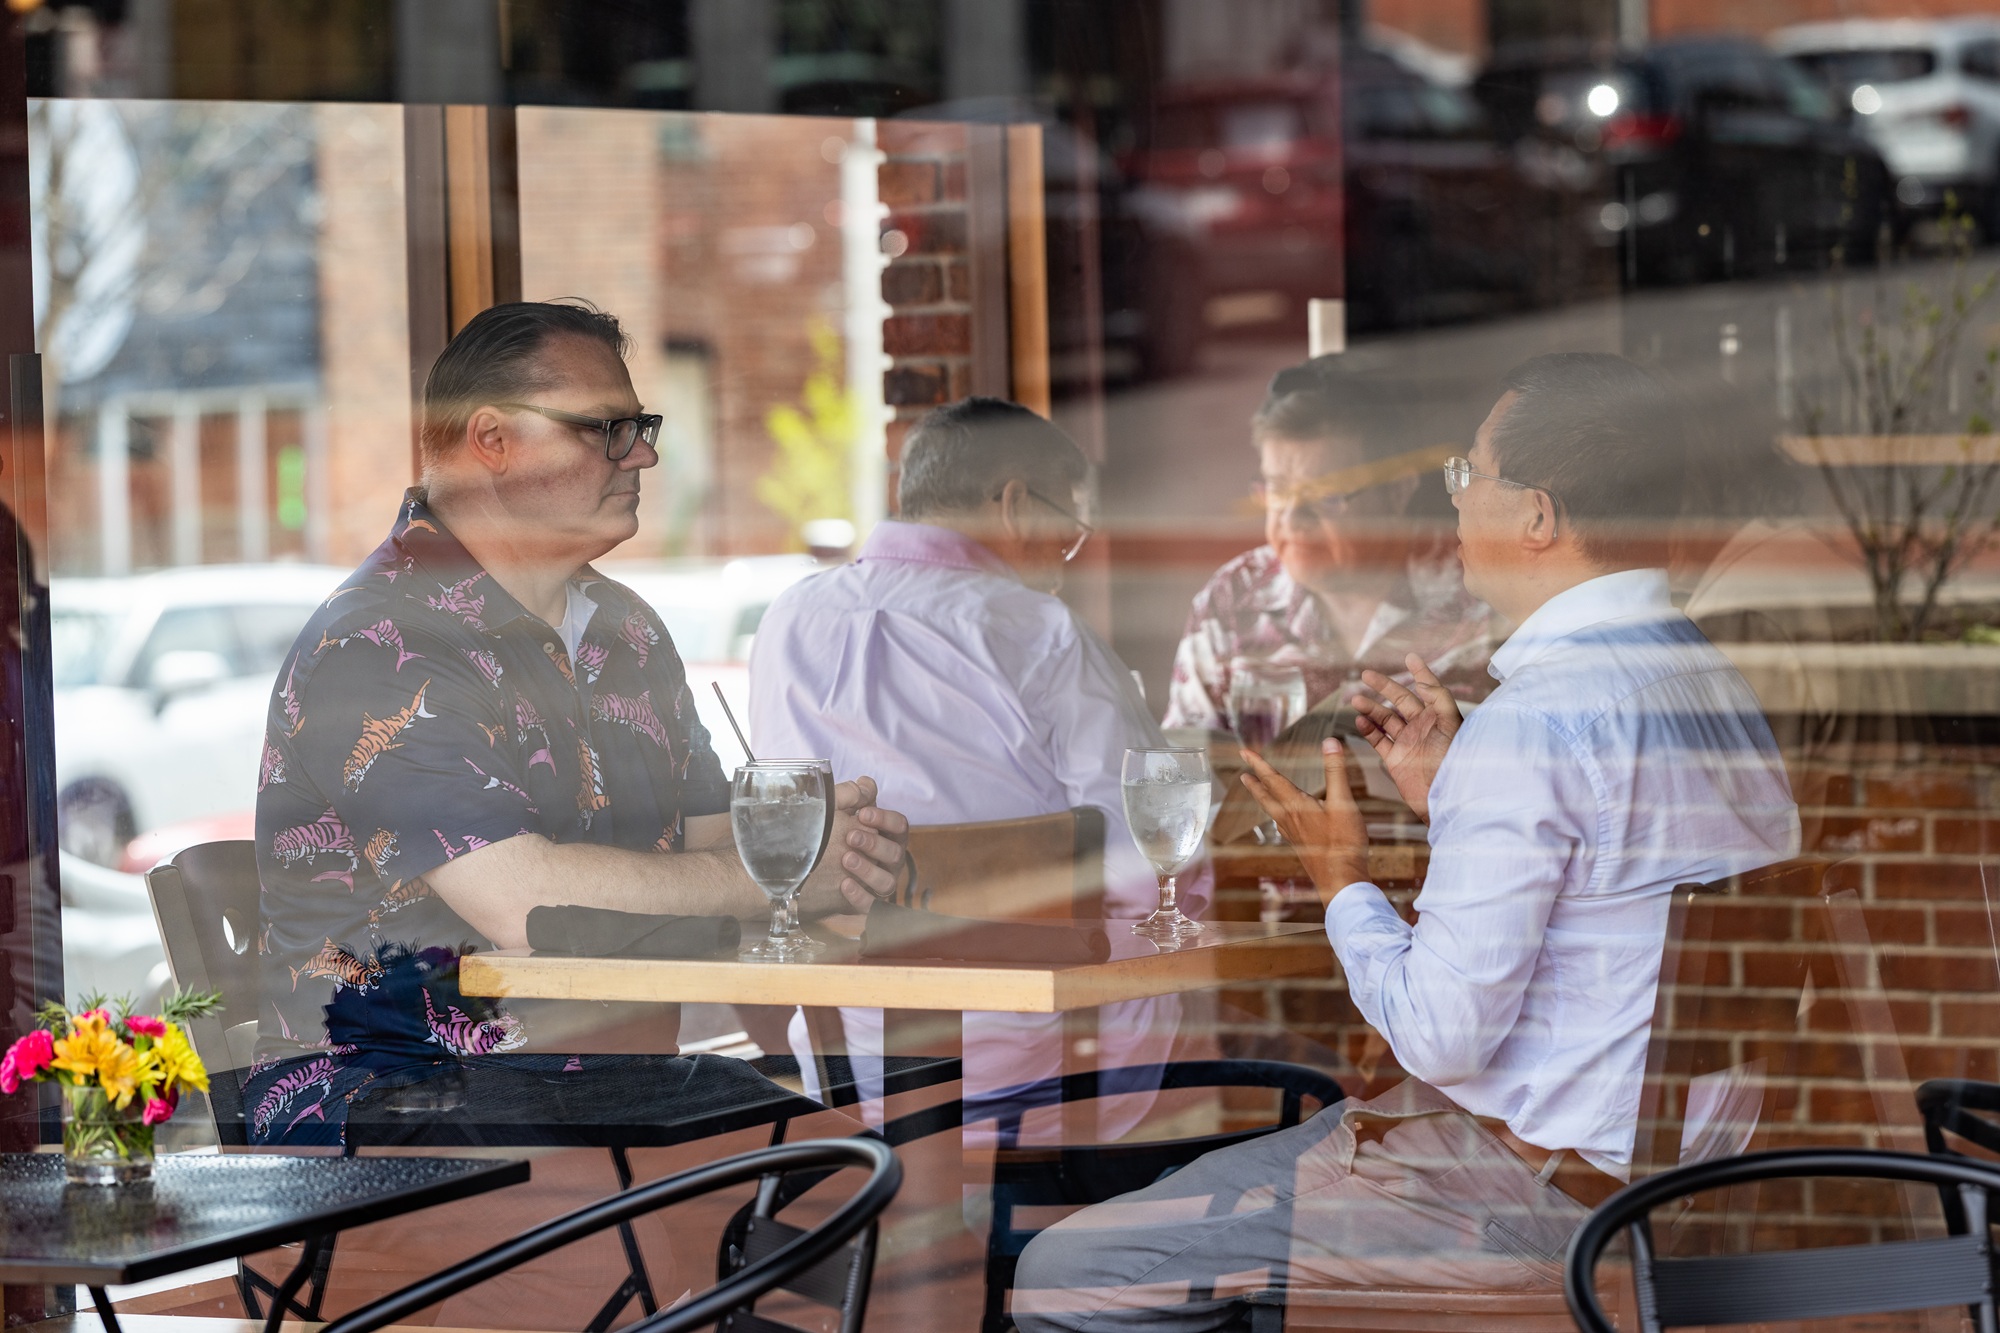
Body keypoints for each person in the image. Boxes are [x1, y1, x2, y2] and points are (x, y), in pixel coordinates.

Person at [1012, 353, 1801, 1331]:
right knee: (1218, 1180)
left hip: (1531, 1203)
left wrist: (1341, 879)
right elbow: (1609, 895)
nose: (1456, 504)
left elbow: (1437, 1034)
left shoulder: (1539, 720)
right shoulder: (1710, 685)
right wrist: (1453, 797)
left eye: (1469, 476)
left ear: (1538, 516)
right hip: (1677, 1186)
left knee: (1065, 1267)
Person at [246, 301, 909, 1146]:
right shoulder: (378, 642)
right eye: (609, 428)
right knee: (837, 1210)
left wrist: (828, 859)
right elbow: (524, 903)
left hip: (609, 1098)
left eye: (642, 426)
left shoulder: (628, 630)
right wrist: (779, 876)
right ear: (492, 439)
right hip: (394, 1116)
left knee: (866, 1189)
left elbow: (718, 845)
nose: (645, 454)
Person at [750, 397, 1195, 1125]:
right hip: (1047, 1085)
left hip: (852, 1085)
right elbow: (1153, 861)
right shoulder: (1044, 634)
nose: (1065, 554)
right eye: (1068, 527)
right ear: (1018, 505)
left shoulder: (787, 620)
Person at [1163, 356, 1498, 735]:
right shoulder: (1233, 598)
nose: (1291, 518)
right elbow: (1184, 765)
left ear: (1398, 489)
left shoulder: (1482, 591)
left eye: (1324, 495)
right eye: (1276, 489)